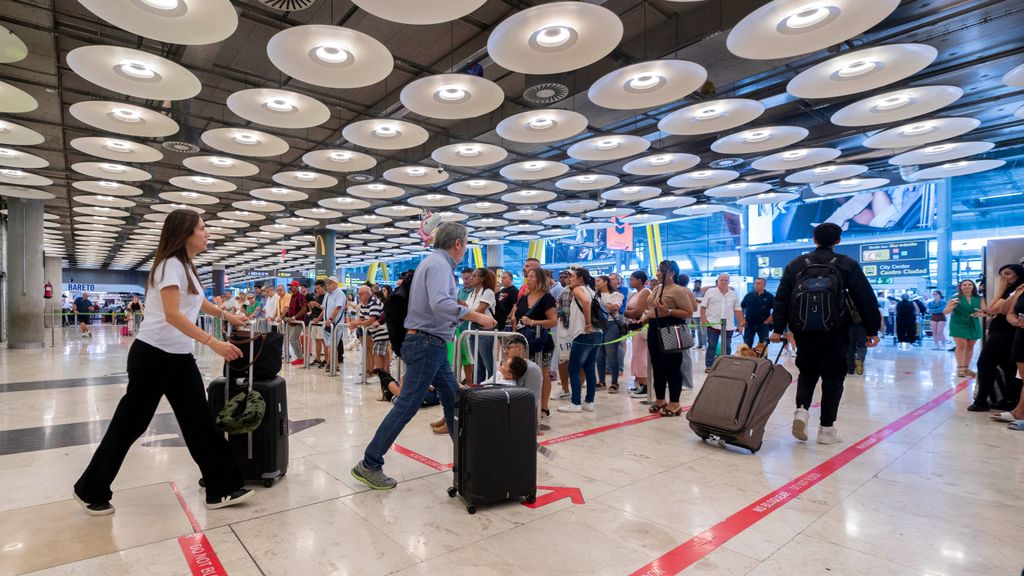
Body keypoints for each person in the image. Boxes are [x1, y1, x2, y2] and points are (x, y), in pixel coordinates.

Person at [73, 210, 253, 515]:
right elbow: (173, 314)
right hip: (154, 356)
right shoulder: (171, 264)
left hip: (178, 356)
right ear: (184, 234)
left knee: (198, 421)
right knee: (131, 424)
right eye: (202, 228)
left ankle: (220, 485)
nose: (207, 233)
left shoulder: (185, 266)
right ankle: (90, 488)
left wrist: (227, 315)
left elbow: (197, 302)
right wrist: (212, 342)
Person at [352, 222, 496, 490]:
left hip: (431, 343)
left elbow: (436, 304)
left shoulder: (432, 264)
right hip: (427, 343)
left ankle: (466, 460)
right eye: (465, 243)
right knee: (407, 405)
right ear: (457, 244)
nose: (465, 249)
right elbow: (440, 304)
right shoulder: (440, 266)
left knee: (453, 400)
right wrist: (478, 316)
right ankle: (370, 463)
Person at [771, 223, 881, 445]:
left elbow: (782, 298)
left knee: (807, 372)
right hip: (836, 331)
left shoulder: (796, 265)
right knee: (833, 377)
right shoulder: (846, 264)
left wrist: (777, 329)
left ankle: (801, 410)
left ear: (813, 239)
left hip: (803, 330)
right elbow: (865, 297)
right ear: (838, 241)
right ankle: (826, 429)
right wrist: (872, 329)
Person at [645, 260, 696, 416]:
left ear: (672, 273)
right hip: (654, 329)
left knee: (672, 367)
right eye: (658, 270)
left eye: (661, 271)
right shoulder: (657, 289)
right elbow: (652, 310)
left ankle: (675, 403)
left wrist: (668, 311)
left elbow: (688, 312)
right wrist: (643, 320)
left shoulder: (678, 291)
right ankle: (660, 399)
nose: (658, 273)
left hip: (671, 330)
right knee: (657, 366)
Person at [970, 265, 1024, 411]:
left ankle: (981, 400)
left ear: (1018, 274)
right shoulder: (1011, 290)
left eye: (1008, 273)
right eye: (1001, 274)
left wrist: (1000, 289)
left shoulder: (1017, 290)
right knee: (1008, 368)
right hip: (1004, 333)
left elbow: (991, 309)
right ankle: (1010, 399)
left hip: (1005, 335)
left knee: (985, 364)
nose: (1004, 277)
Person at [514, 268, 558, 421]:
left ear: (540, 280)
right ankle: (526, 405)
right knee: (523, 373)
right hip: (522, 343)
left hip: (541, 342)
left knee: (542, 374)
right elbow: (516, 318)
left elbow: (553, 321)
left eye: (532, 276)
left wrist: (533, 322)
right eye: (527, 276)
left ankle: (544, 407)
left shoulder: (547, 298)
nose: (528, 279)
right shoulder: (523, 298)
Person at [558, 268, 602, 413]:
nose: (569, 279)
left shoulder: (578, 290)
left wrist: (587, 323)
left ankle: (575, 402)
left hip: (584, 333)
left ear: (581, 278)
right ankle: (589, 401)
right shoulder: (592, 290)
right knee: (589, 368)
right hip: (597, 333)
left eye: (572, 277)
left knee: (573, 369)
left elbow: (585, 303)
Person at [700, 273, 744, 372]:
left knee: (727, 346)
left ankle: (726, 365)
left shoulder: (733, 294)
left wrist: (741, 324)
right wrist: (704, 319)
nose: (724, 282)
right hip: (713, 324)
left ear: (729, 282)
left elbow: (737, 309)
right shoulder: (710, 292)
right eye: (721, 280)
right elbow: (703, 307)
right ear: (718, 281)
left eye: (726, 280)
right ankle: (709, 365)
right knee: (712, 345)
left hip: (728, 325)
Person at [994, 283, 1024, 428]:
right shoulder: (1021, 289)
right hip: (1021, 334)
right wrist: (1016, 321)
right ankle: (1019, 412)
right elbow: (1007, 311)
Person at [945, 279, 985, 378]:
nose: (967, 286)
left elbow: (984, 311)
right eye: (964, 285)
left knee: (970, 346)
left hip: (973, 323)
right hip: (958, 323)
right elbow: (945, 311)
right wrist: (952, 306)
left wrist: (980, 313)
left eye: (969, 284)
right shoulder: (955, 298)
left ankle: (966, 369)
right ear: (961, 287)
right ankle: (960, 369)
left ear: (973, 287)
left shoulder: (979, 299)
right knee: (961, 345)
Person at [349, 285, 388, 384]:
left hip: (382, 332)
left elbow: (371, 320)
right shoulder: (363, 304)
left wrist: (357, 324)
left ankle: (382, 377)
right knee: (377, 353)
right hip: (374, 333)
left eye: (360, 294)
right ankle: (382, 377)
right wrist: (354, 323)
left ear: (367, 294)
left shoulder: (374, 303)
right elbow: (362, 318)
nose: (358, 296)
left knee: (378, 354)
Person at [466, 267, 497, 384]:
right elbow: (468, 311)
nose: (471, 278)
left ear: (482, 278)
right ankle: (479, 388)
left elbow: (479, 311)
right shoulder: (472, 293)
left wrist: (465, 312)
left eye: (474, 276)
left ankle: (493, 386)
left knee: (487, 361)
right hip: (472, 328)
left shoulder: (488, 292)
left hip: (485, 328)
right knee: (477, 363)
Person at [595, 275, 625, 393]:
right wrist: (605, 306)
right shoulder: (594, 295)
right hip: (597, 326)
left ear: (606, 282)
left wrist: (599, 306)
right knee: (599, 355)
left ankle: (614, 382)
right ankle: (601, 381)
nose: (596, 283)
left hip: (612, 326)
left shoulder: (616, 295)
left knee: (611, 354)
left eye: (598, 281)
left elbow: (614, 308)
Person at [625, 271, 651, 398]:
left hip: (641, 327)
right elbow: (630, 310)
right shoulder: (636, 293)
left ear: (640, 280)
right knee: (636, 354)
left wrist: (627, 312)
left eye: (632, 279)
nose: (630, 282)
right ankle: (638, 382)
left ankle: (645, 386)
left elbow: (637, 311)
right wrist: (629, 312)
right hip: (635, 327)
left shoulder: (645, 292)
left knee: (641, 355)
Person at [320, 277, 346, 372]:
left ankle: (329, 364)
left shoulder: (339, 293)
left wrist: (331, 319)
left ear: (335, 283)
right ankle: (336, 365)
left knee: (332, 345)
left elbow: (337, 308)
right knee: (331, 345)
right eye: (327, 283)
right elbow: (324, 309)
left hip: (335, 324)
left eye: (330, 283)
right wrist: (318, 319)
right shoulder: (327, 294)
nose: (328, 285)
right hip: (327, 324)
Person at [740, 278, 774, 348]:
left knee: (763, 345)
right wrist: (742, 319)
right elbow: (741, 307)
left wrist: (768, 320)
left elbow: (776, 310)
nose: (756, 285)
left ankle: (763, 359)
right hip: (749, 324)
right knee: (747, 344)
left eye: (759, 283)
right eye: (755, 283)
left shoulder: (769, 296)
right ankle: (748, 359)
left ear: (764, 285)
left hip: (763, 325)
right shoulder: (749, 295)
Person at [609, 273, 629, 383]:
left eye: (612, 279)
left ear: (618, 281)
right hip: (608, 318)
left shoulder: (623, 290)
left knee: (620, 344)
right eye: (609, 279)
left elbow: (616, 305)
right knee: (609, 344)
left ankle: (620, 368)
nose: (610, 281)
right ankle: (608, 367)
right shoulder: (606, 291)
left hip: (619, 317)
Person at [282, 281, 307, 365]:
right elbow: (291, 309)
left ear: (297, 286)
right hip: (292, 322)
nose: (290, 287)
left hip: (298, 322)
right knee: (295, 339)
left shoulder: (300, 296)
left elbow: (304, 309)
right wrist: (288, 317)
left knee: (293, 339)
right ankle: (300, 357)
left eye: (292, 286)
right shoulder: (292, 296)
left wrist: (294, 317)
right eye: (290, 286)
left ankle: (300, 358)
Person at [307, 281, 327, 367]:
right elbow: (316, 308)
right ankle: (318, 359)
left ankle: (326, 360)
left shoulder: (326, 297)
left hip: (321, 322)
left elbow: (325, 309)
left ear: (323, 287)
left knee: (324, 341)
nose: (317, 290)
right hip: (315, 322)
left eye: (318, 288)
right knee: (317, 341)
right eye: (316, 288)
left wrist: (317, 305)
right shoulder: (318, 297)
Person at [691, 279, 706, 350]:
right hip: (694, 314)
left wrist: (700, 301)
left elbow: (706, 302)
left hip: (702, 314)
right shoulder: (692, 293)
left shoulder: (703, 293)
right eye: (694, 284)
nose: (695, 285)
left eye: (697, 284)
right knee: (698, 330)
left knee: (703, 330)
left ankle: (704, 345)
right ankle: (699, 344)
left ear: (700, 285)